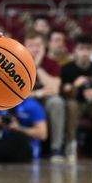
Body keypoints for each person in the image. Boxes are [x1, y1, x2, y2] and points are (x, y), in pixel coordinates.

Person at [23, 30, 66, 163]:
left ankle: (56, 148)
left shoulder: (52, 64)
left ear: (44, 47)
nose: (35, 49)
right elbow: (16, 93)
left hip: (46, 101)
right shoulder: (18, 63)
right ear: (24, 46)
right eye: (31, 45)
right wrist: (38, 93)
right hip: (27, 101)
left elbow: (54, 89)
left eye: (38, 45)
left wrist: (37, 67)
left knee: (57, 102)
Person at [61, 35, 92, 161]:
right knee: (71, 105)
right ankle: (71, 144)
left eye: (88, 49)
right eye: (81, 49)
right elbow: (64, 92)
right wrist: (75, 86)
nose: (85, 53)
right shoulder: (67, 68)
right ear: (75, 51)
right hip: (76, 103)